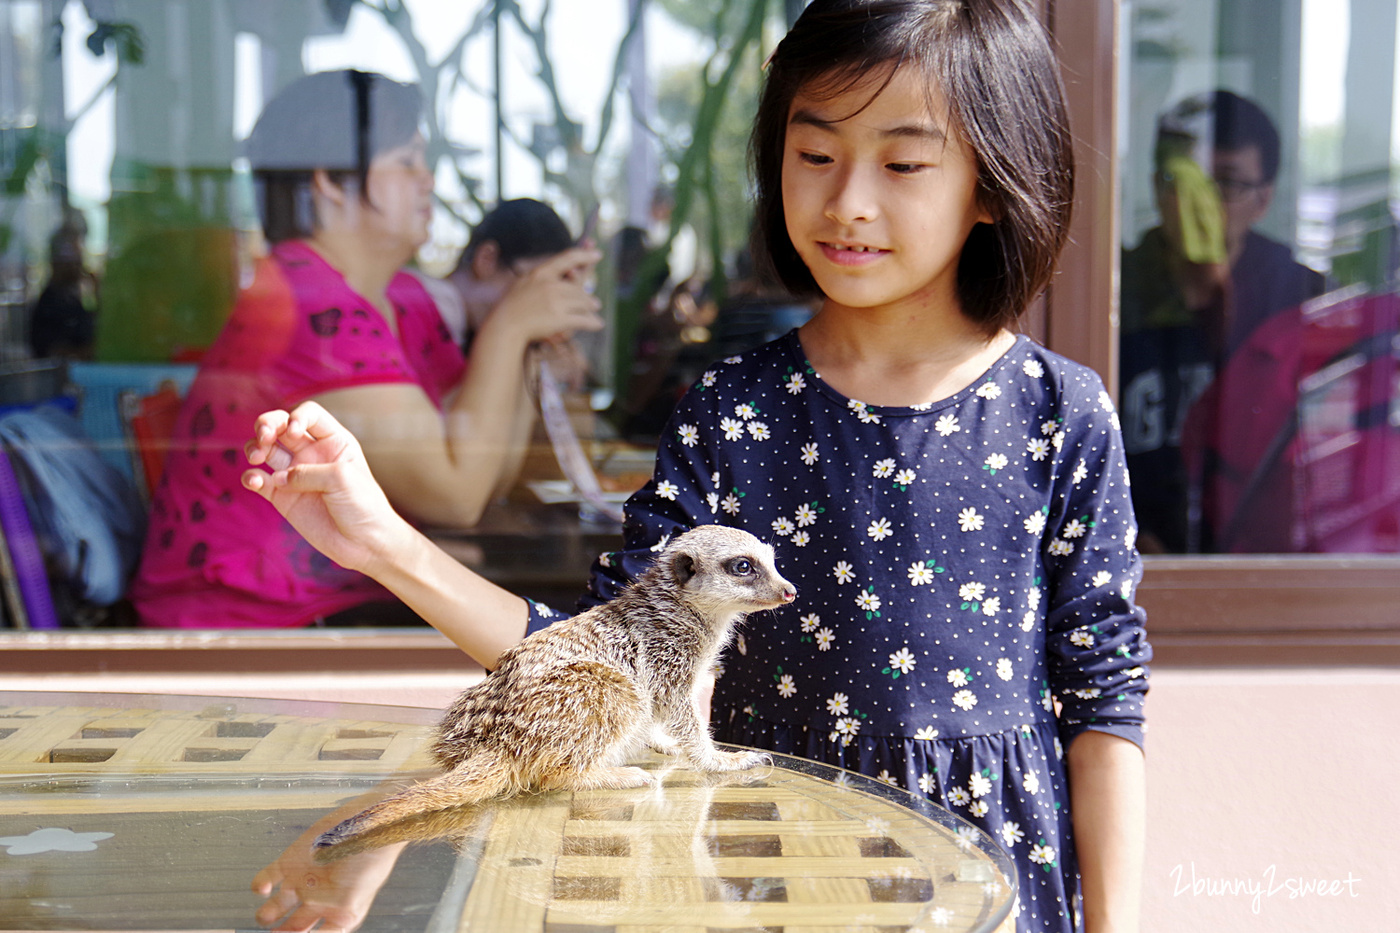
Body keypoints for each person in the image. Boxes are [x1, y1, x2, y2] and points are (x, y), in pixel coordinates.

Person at [244, 4, 1150, 930]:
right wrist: (384, 544)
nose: (848, 202)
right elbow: (597, 656)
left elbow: (1106, 704)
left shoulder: (1060, 413)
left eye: (905, 163)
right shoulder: (732, 409)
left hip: (991, 875)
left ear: (993, 183)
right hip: (750, 869)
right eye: (816, 153)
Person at [129, 70, 602, 629]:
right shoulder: (312, 305)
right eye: (406, 161)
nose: (427, 179)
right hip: (247, 630)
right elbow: (456, 498)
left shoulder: (397, 297)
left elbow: (488, 470)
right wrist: (509, 327)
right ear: (330, 179)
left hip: (324, 602)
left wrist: (525, 334)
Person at [1119, 89, 1326, 552]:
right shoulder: (1109, 294)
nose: (1204, 204)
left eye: (1227, 185)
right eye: (1188, 182)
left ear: (1264, 199)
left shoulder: (1302, 301)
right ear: (1157, 188)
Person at [28, 220, 98, 360]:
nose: (77, 264)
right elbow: (52, 352)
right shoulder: (49, 303)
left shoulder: (76, 297)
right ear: (55, 261)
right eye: (71, 258)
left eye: (79, 257)